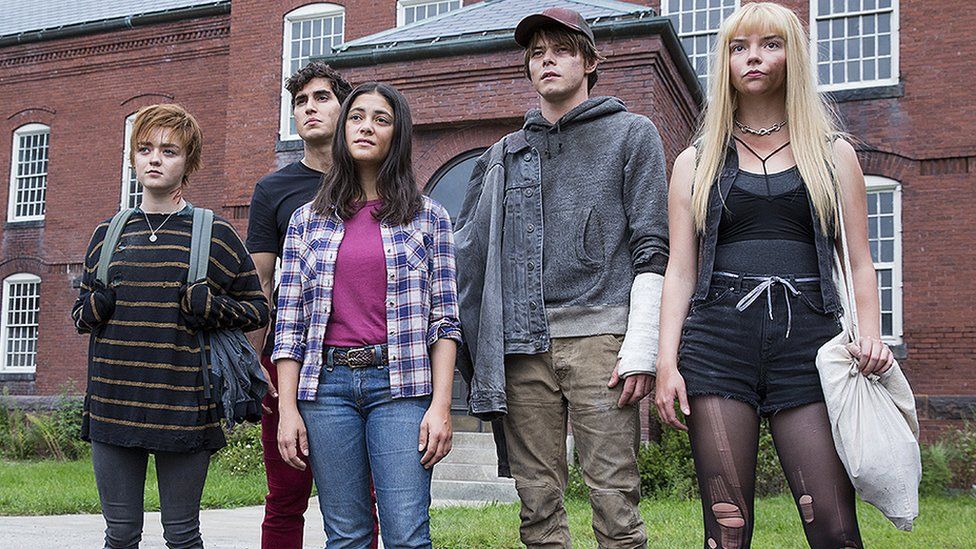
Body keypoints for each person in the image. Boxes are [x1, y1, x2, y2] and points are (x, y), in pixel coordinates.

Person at [654, 3, 894, 548]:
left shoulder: (833, 156)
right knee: (727, 527)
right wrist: (666, 362)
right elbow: (679, 270)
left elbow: (859, 260)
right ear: (725, 61)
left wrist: (872, 335)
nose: (754, 57)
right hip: (717, 345)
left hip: (809, 345)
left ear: (792, 55)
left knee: (834, 526)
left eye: (769, 44)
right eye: (739, 47)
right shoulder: (696, 161)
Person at [455, 8, 669, 548]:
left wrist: (641, 345)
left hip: (602, 339)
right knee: (536, 503)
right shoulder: (506, 153)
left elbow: (653, 245)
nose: (546, 59)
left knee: (615, 500)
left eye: (561, 49)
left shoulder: (632, 133)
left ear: (591, 61)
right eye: (535, 53)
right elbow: (468, 251)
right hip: (523, 343)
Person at [72, 103, 269, 548]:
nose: (155, 159)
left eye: (169, 150)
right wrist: (96, 307)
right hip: (113, 404)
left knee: (181, 536)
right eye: (144, 149)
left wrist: (212, 307)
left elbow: (257, 309)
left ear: (189, 162)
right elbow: (81, 316)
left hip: (184, 410)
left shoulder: (213, 233)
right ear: (133, 159)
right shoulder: (108, 234)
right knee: (120, 535)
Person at [273, 82, 461, 548]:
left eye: (381, 119)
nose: (366, 127)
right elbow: (290, 325)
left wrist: (441, 405)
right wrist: (288, 408)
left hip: (401, 388)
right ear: (343, 129)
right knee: (346, 534)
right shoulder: (307, 220)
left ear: (397, 136)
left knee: (407, 533)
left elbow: (445, 321)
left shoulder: (429, 217)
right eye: (357, 116)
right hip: (327, 390)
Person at [245, 61, 379, 549]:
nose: (309, 108)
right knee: (286, 494)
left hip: (368, 358)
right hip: (291, 357)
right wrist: (252, 365)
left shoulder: (379, 181)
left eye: (321, 98)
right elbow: (259, 282)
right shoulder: (274, 190)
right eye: (300, 102)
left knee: (362, 498)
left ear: (345, 110)